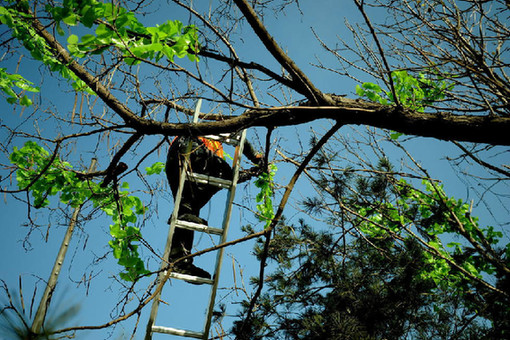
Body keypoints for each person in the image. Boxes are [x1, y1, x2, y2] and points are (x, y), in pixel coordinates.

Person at [165, 135, 263, 281]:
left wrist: (251, 173)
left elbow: (228, 178)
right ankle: (181, 253)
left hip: (175, 161)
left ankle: (180, 261)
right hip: (190, 148)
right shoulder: (212, 132)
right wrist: (256, 157)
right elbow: (239, 135)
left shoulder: (211, 155)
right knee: (222, 172)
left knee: (187, 207)